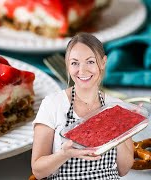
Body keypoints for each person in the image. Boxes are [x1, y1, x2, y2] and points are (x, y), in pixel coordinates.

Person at [31, 32, 134, 180]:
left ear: (103, 62)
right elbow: (38, 171)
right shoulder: (52, 104)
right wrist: (64, 154)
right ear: (67, 66)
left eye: (90, 62)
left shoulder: (117, 107)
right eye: (75, 63)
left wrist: (117, 135)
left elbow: (123, 169)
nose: (82, 70)